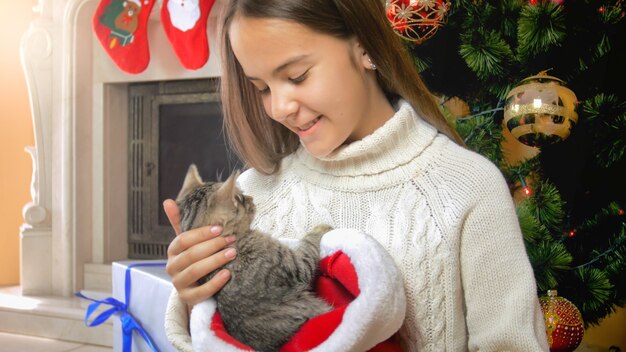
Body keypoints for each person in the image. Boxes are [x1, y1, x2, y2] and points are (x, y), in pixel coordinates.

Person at [163, 0, 549, 350]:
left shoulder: (467, 188)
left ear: (364, 46)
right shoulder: (249, 195)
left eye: (296, 76)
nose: (279, 107)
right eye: (262, 88)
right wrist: (194, 298)